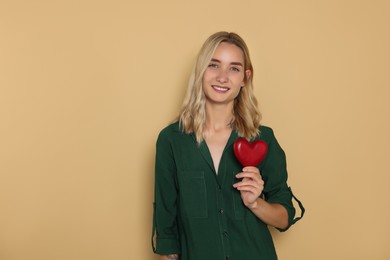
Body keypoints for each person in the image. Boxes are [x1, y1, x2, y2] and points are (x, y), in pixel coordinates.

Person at [151, 31, 304, 260]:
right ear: (201, 72)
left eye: (234, 68)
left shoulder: (263, 139)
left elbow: (284, 218)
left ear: (245, 78)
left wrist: (255, 204)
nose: (223, 77)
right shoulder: (171, 141)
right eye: (214, 65)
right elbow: (166, 232)